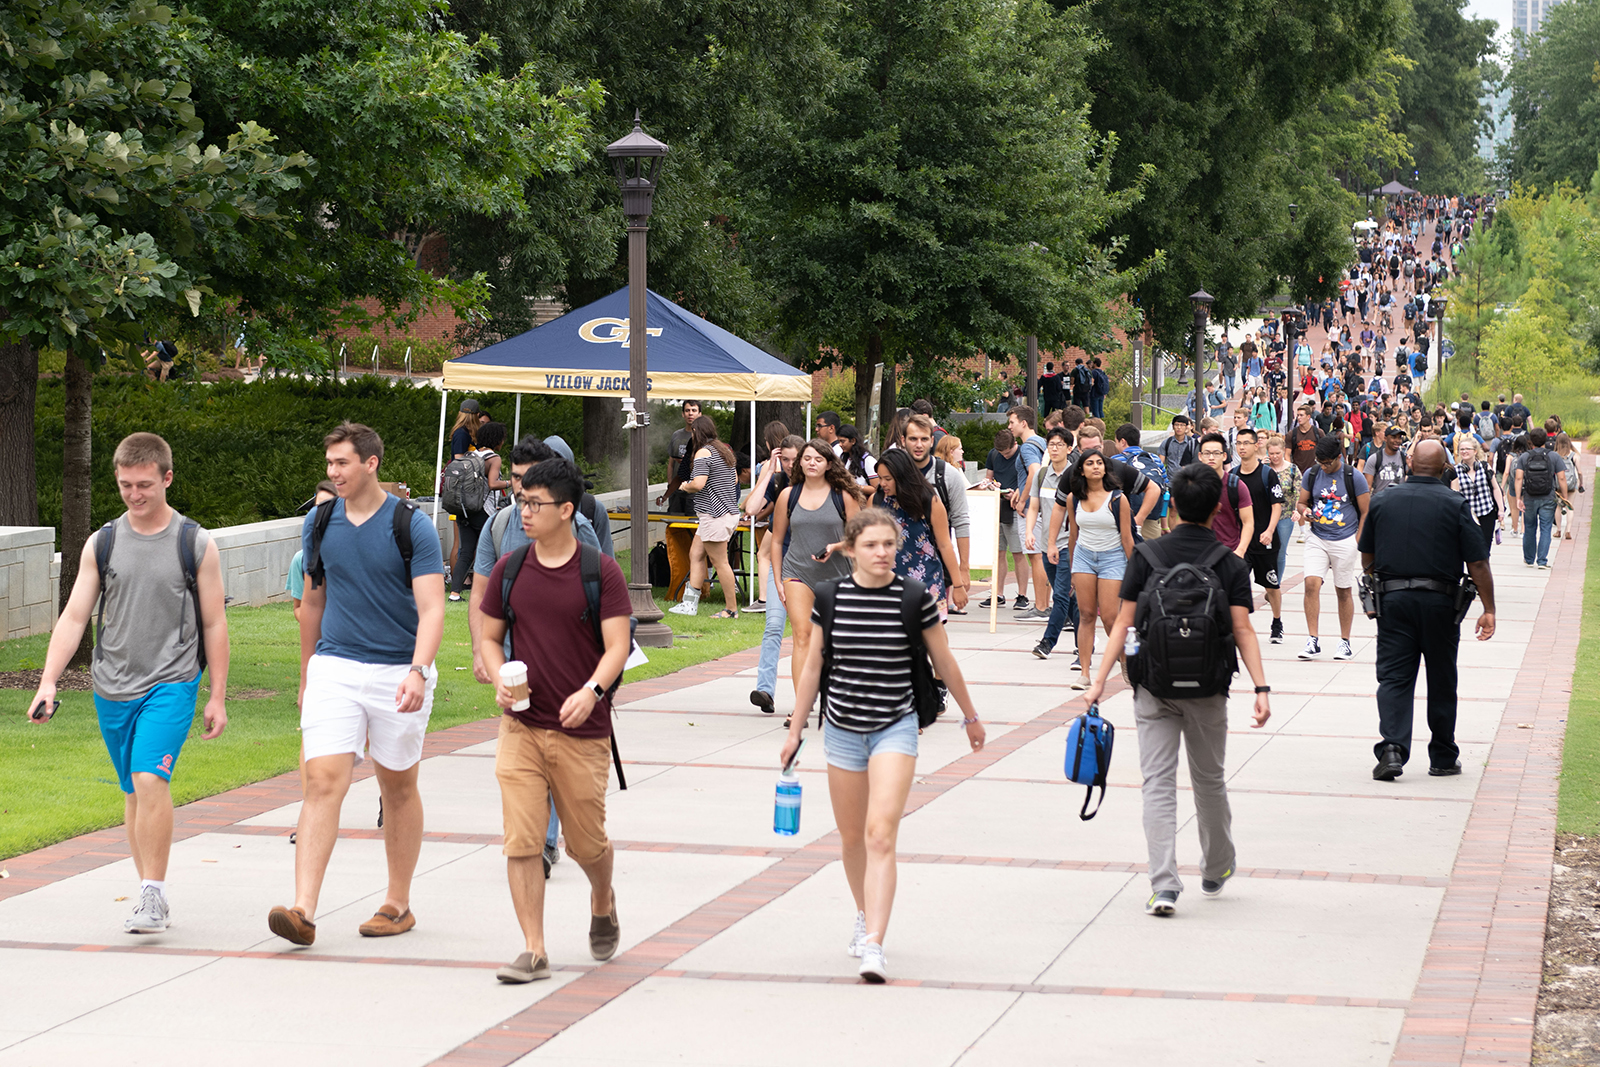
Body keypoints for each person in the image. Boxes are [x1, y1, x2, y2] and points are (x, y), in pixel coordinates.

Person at [26, 432, 230, 935]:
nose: (135, 495)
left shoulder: (195, 543)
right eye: (124, 486)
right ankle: (146, 889)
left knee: (149, 779)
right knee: (133, 792)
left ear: (167, 478)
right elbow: (75, 616)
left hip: (172, 681)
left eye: (144, 485)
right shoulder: (104, 541)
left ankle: (153, 896)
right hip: (112, 684)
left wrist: (218, 695)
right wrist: (48, 681)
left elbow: (214, 625)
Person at [778, 508, 986, 982]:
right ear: (850, 549)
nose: (882, 553)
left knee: (879, 834)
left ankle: (875, 941)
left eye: (888, 544)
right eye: (871, 545)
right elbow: (813, 668)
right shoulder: (829, 598)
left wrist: (971, 716)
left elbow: (944, 661)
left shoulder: (913, 597)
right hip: (844, 731)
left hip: (896, 727)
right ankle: (862, 912)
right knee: (852, 838)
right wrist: (796, 730)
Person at [269, 422, 445, 947]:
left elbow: (433, 607)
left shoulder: (411, 525)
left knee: (397, 786)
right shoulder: (320, 523)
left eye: (342, 463)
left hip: (398, 670)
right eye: (329, 464)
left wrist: (418, 669)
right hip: (336, 667)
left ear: (371, 463)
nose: (333, 473)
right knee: (323, 780)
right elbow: (313, 605)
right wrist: (307, 675)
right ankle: (302, 909)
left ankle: (397, 902)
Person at [1081, 462, 1272, 917]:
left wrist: (1096, 684)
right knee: (1209, 781)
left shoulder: (1147, 557)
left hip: (1153, 685)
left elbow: (1123, 623)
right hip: (1208, 687)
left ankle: (1164, 885)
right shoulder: (1229, 563)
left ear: (1176, 506)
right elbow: (1243, 629)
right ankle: (1217, 865)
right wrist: (1261, 687)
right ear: (1215, 507)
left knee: (1158, 785)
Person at [477, 458, 631, 983]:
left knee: (587, 844)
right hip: (520, 726)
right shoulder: (511, 568)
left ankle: (602, 897)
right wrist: (498, 676)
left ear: (566, 510)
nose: (525, 511)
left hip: (582, 732)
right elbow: (489, 636)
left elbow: (618, 646)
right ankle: (534, 948)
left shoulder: (599, 571)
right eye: (522, 500)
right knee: (521, 840)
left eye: (535, 503)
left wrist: (592, 692)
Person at [1361, 440, 1496, 781]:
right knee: (1441, 677)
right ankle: (1443, 755)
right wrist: (1489, 607)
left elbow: (1367, 556)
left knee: (1393, 677)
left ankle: (1392, 748)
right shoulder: (1455, 503)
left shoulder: (1383, 500)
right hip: (1440, 602)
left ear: (1410, 463)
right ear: (1443, 468)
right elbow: (1477, 561)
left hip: (1393, 601)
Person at [770, 441, 864, 708]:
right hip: (797, 573)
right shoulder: (788, 495)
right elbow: (777, 541)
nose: (812, 463)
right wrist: (778, 579)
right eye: (807, 458)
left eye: (818, 459)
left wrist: (835, 547)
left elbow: (858, 539)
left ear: (829, 464)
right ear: (799, 462)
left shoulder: (842, 496)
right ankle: (801, 707)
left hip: (837, 575)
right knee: (802, 636)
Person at [1062, 448, 1135, 690]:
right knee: (1085, 614)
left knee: (1111, 618)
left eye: (1099, 463)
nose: (1096, 467)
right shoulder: (1074, 498)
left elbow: (1127, 538)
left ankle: (1125, 661)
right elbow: (1074, 534)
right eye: (1090, 463)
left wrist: (1134, 571)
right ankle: (1084, 673)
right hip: (1084, 557)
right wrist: (1073, 568)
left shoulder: (1117, 499)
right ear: (1081, 470)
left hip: (1113, 557)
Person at [1297, 434, 1370, 661]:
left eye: (1327, 462)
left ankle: (1345, 642)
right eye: (1320, 462)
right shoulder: (1313, 473)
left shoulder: (1353, 476)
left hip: (1345, 538)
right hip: (1317, 536)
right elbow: (1301, 502)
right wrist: (1305, 512)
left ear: (1338, 457)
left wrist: (1358, 539)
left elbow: (1366, 510)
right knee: (1311, 583)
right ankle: (1312, 640)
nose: (1324, 467)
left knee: (1343, 590)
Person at [871, 449, 962, 616]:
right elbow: (864, 539)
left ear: (902, 477)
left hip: (926, 582)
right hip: (886, 582)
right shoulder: (877, 501)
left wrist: (958, 585)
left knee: (927, 639)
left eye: (888, 479)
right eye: (880, 478)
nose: (882, 483)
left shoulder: (929, 501)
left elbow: (945, 545)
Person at [671, 415, 743, 618]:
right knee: (695, 554)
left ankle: (731, 610)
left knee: (720, 563)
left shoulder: (703, 452)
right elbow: (735, 479)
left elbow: (698, 483)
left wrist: (685, 485)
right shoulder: (724, 450)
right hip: (723, 513)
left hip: (714, 515)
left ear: (696, 432)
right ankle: (689, 604)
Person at [903, 415, 972, 610]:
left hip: (936, 567)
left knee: (932, 629)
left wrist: (963, 569)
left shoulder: (948, 475)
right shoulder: (894, 474)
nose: (919, 444)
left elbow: (961, 521)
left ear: (932, 441)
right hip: (897, 566)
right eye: (913, 439)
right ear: (903, 440)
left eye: (924, 439)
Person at [1026, 427, 1080, 661]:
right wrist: (1029, 532)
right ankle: (1084, 640)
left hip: (1069, 545)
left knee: (1059, 594)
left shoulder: (1077, 476)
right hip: (1047, 544)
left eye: (1060, 444)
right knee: (1069, 597)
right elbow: (1034, 507)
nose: (1054, 448)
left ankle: (1048, 642)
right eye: (1051, 444)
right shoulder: (1042, 474)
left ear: (1070, 449)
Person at [1233, 428, 1285, 641]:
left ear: (1256, 446)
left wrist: (1270, 530)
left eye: (1246, 443)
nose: (1242, 447)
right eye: (1238, 443)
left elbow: (1277, 505)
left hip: (1265, 540)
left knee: (1271, 585)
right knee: (1236, 585)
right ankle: (1238, 625)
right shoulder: (1233, 476)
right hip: (1241, 543)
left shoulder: (1267, 474)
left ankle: (1277, 621)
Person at [449, 420, 508, 603]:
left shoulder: (470, 454)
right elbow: (492, 484)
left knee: (466, 552)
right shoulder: (494, 458)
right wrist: (512, 482)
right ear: (497, 440)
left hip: (464, 510)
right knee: (495, 549)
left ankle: (454, 593)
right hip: (483, 511)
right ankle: (496, 592)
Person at [1008, 406, 1049, 618]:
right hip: (1045, 505)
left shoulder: (1026, 447)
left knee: (1036, 557)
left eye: (1012, 422)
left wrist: (1022, 500)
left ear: (1024, 423)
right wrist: (1019, 489)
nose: (1009, 426)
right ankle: (1045, 604)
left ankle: (1041, 606)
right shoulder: (1042, 441)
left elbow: (1034, 472)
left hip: (1034, 508)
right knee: (1042, 556)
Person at [982, 428, 1028, 609]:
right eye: (1001, 453)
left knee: (1017, 553)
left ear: (1015, 444)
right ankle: (997, 593)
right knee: (999, 553)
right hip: (998, 506)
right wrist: (993, 486)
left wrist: (1017, 493)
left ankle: (1022, 595)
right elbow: (988, 478)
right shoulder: (993, 455)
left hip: (1016, 508)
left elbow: (1031, 479)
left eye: (1007, 452)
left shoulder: (1024, 455)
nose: (1004, 455)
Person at [1514, 426, 1570, 569]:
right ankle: (1542, 561)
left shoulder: (1524, 457)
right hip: (1548, 497)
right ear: (1546, 440)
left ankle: (1528, 558)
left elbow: (1519, 478)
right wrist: (1564, 497)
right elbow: (1562, 478)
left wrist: (1518, 498)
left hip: (1529, 497)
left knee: (1530, 527)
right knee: (1545, 528)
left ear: (1530, 441)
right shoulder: (1554, 456)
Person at [1265, 435, 1301, 637]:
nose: (1275, 457)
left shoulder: (1293, 469)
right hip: (1267, 514)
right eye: (1271, 454)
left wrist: (1297, 509)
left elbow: (1298, 491)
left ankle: (1274, 586)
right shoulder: (1264, 469)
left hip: (1286, 515)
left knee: (1280, 551)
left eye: (1278, 453)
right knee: (1266, 550)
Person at [1195, 433, 1253, 555]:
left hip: (1229, 553)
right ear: (1200, 456)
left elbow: (1248, 522)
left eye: (1216, 453)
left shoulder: (1236, 486)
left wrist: (1240, 551)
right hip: (1199, 554)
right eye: (1206, 453)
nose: (1211, 457)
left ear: (1224, 456)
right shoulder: (1192, 485)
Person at [288, 481, 339, 618]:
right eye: (318, 507)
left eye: (329, 506)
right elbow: (298, 608)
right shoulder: (301, 559)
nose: (322, 513)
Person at [1453, 438, 1502, 551]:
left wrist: (1501, 510)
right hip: (1467, 515)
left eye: (1467, 449)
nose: (1464, 451)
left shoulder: (1484, 467)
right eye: (1462, 449)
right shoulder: (1456, 471)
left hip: (1486, 512)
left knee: (1485, 548)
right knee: (1469, 548)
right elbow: (1454, 494)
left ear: (1475, 451)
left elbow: (1495, 488)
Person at [657, 400, 703, 514]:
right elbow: (671, 463)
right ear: (683, 414)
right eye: (687, 410)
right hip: (676, 488)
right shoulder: (676, 435)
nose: (690, 414)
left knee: (691, 524)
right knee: (674, 522)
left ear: (700, 414)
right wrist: (670, 485)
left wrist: (689, 461)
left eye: (694, 410)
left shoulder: (703, 437)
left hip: (694, 490)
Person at [1363, 425, 1410, 498]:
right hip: (1380, 502)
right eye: (1393, 437)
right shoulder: (1375, 458)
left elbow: (1412, 483)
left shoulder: (1404, 458)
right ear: (1385, 438)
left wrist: (1410, 468)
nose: (1397, 441)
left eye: (1399, 438)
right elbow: (1367, 487)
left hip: (1399, 501)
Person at [1555, 432, 1583, 540]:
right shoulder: (1574, 455)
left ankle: (1558, 530)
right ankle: (1568, 530)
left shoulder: (1555, 455)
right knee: (1569, 506)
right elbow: (1579, 472)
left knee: (1558, 506)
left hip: (1558, 484)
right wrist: (1581, 483)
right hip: (1571, 484)